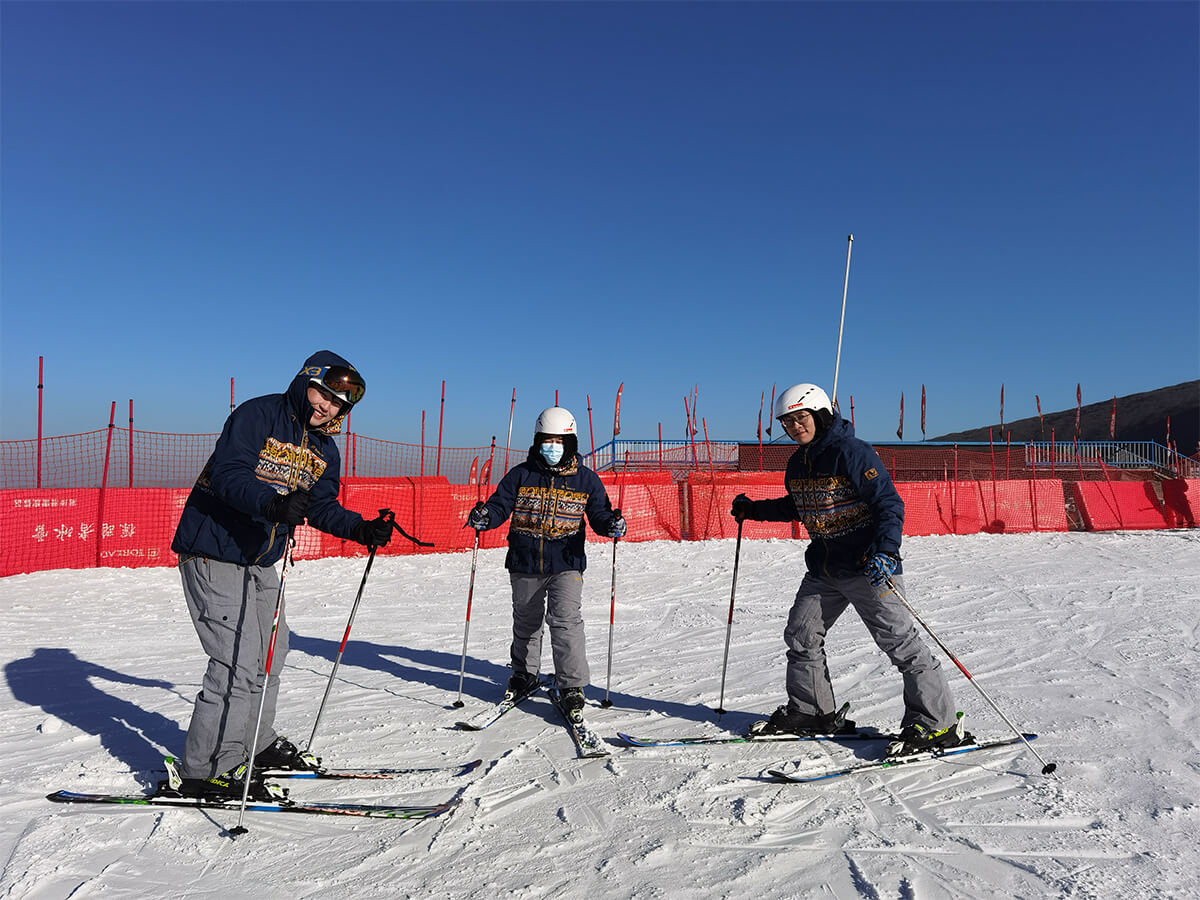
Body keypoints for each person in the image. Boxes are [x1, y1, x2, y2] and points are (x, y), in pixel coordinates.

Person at [167, 350, 395, 799]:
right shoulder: (259, 415)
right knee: (236, 662)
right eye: (323, 394)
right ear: (305, 382)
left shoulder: (323, 448)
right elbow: (228, 474)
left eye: (338, 403)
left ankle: (255, 741)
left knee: (270, 654)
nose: (327, 406)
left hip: (260, 559)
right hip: (214, 551)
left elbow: (322, 506)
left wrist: (360, 528)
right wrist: (272, 504)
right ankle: (206, 769)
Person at [730, 383, 970, 755]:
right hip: (825, 568)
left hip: (867, 566)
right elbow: (799, 506)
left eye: (801, 418)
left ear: (820, 415)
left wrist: (886, 551)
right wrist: (755, 510)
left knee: (901, 645)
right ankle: (811, 711)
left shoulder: (852, 452)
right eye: (787, 422)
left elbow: (888, 503)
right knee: (801, 635)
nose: (795, 427)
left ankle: (936, 725)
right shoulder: (798, 462)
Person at [466, 406, 626, 716]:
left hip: (567, 562)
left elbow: (600, 514)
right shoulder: (521, 474)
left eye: (558, 442)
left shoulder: (586, 480)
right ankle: (524, 673)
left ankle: (571, 684)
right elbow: (500, 506)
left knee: (565, 621)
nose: (552, 447)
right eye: (546, 441)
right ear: (537, 441)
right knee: (526, 621)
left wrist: (611, 524)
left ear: (570, 444)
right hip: (525, 561)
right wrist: (485, 516)